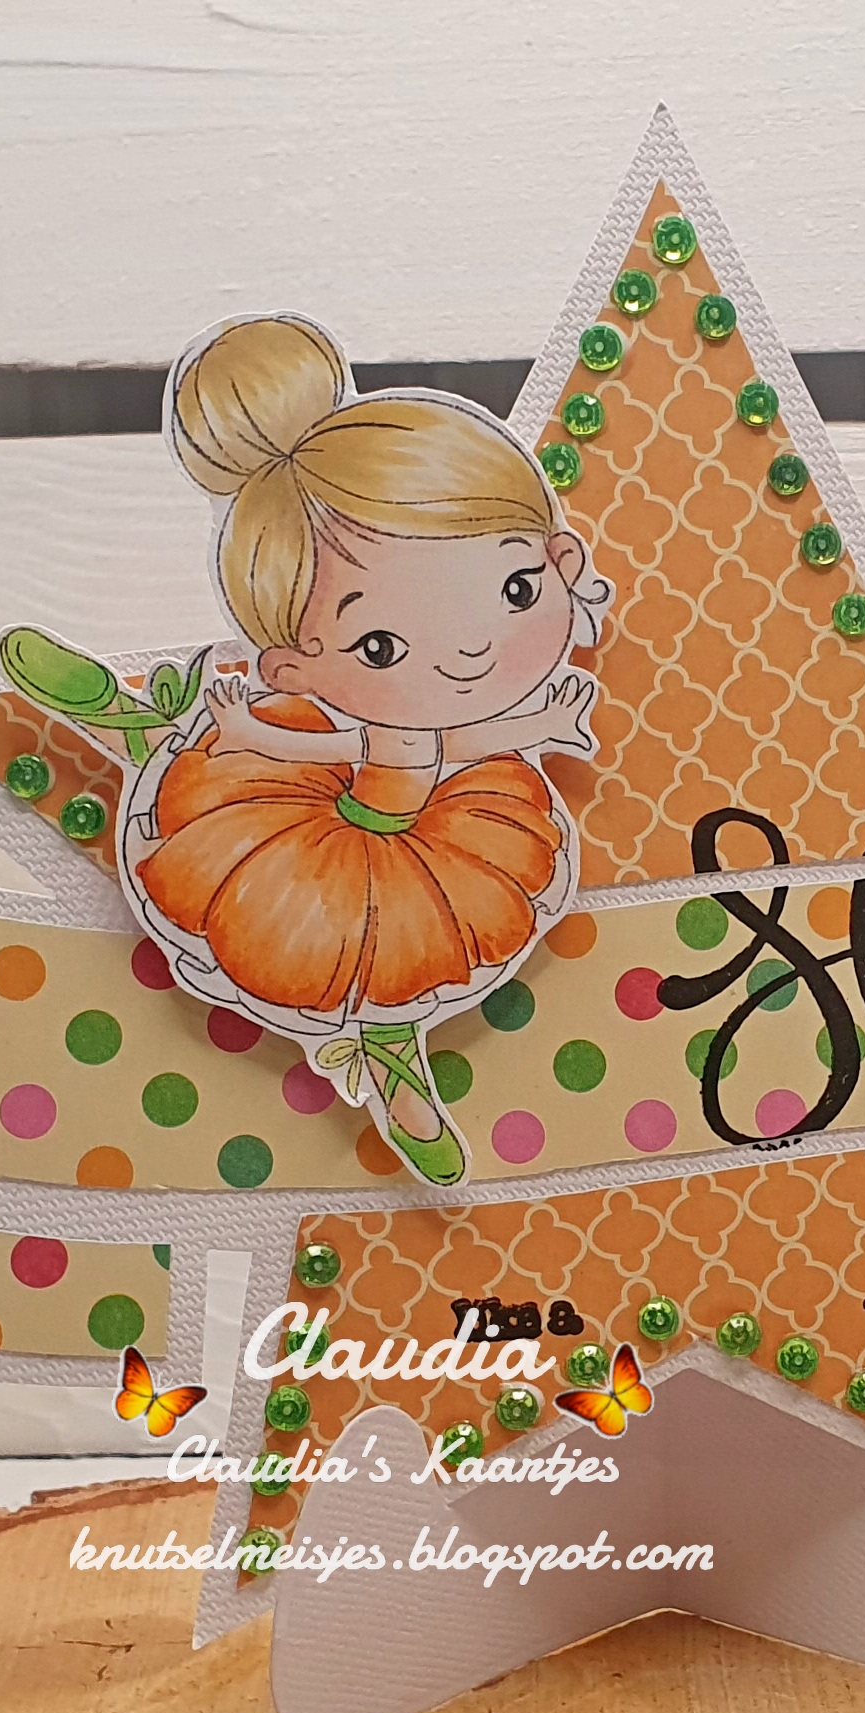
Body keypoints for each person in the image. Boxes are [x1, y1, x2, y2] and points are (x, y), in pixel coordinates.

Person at [131, 315, 607, 1186]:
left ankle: (390, 1051)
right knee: (348, 960)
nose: (470, 651)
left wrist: (536, 729)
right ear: (290, 668)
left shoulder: (429, 730)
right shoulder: (367, 727)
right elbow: (336, 741)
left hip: (446, 834)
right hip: (324, 848)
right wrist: (244, 732)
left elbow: (460, 739)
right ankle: (390, 1063)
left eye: (514, 587)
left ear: (560, 556)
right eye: (379, 646)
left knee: (408, 958)